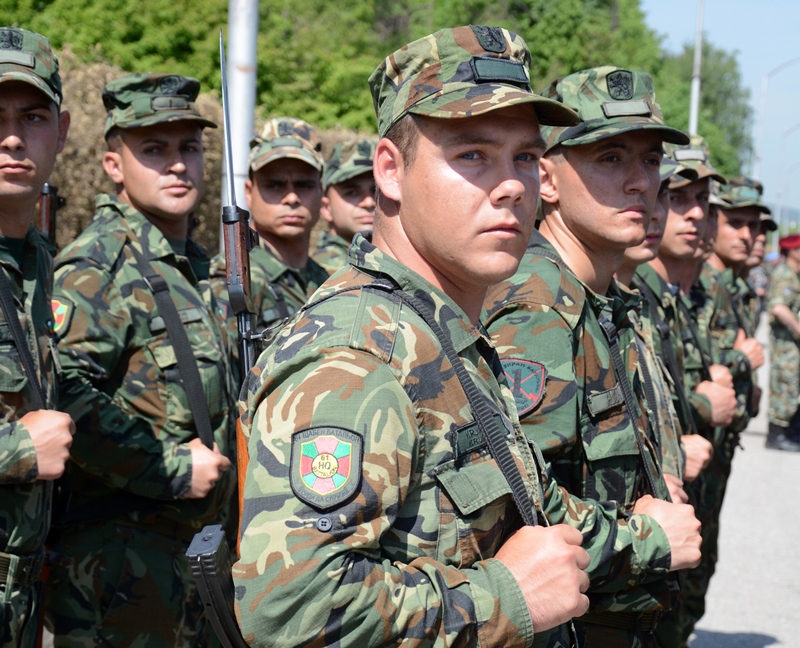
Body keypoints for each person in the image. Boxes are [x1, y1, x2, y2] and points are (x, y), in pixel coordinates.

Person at [234, 27, 700, 648]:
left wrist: (645, 538)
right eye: (473, 155)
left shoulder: (443, 334)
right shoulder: (355, 356)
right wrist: (506, 597)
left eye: (526, 158)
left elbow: (534, 507)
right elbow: (290, 610)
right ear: (391, 171)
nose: (511, 185)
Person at [483, 66, 703, 646]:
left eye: (650, 160)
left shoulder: (600, 300)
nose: (640, 183)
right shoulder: (537, 309)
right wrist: (647, 535)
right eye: (610, 159)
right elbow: (511, 513)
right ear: (548, 180)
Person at [45, 73, 235, 647]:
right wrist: (168, 468)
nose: (177, 165)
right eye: (154, 149)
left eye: (188, 148)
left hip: (189, 563)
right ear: (113, 165)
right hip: (120, 570)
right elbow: (62, 392)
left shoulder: (195, 267)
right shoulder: (98, 265)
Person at [633, 135, 733, 646]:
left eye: (703, 202)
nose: (692, 214)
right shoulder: (634, 293)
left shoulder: (663, 296)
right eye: (679, 195)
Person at [0, 27, 74, 648]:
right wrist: (17, 452)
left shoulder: (36, 260)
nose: (13, 138)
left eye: (33, 116)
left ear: (63, 130)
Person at [211, 117, 329, 350]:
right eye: (274, 185)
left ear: (320, 191)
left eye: (304, 185)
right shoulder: (236, 279)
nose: (292, 198)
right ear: (249, 192)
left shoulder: (325, 280)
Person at [312, 138, 376, 274]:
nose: (369, 202)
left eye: (377, 191)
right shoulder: (325, 270)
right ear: (325, 207)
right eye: (352, 192)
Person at [765, 233, 800, 451]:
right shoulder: (786, 275)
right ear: (793, 251)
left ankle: (790, 431)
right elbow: (778, 307)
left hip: (791, 344)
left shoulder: (794, 274)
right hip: (785, 343)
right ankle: (776, 435)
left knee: (792, 385)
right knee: (784, 385)